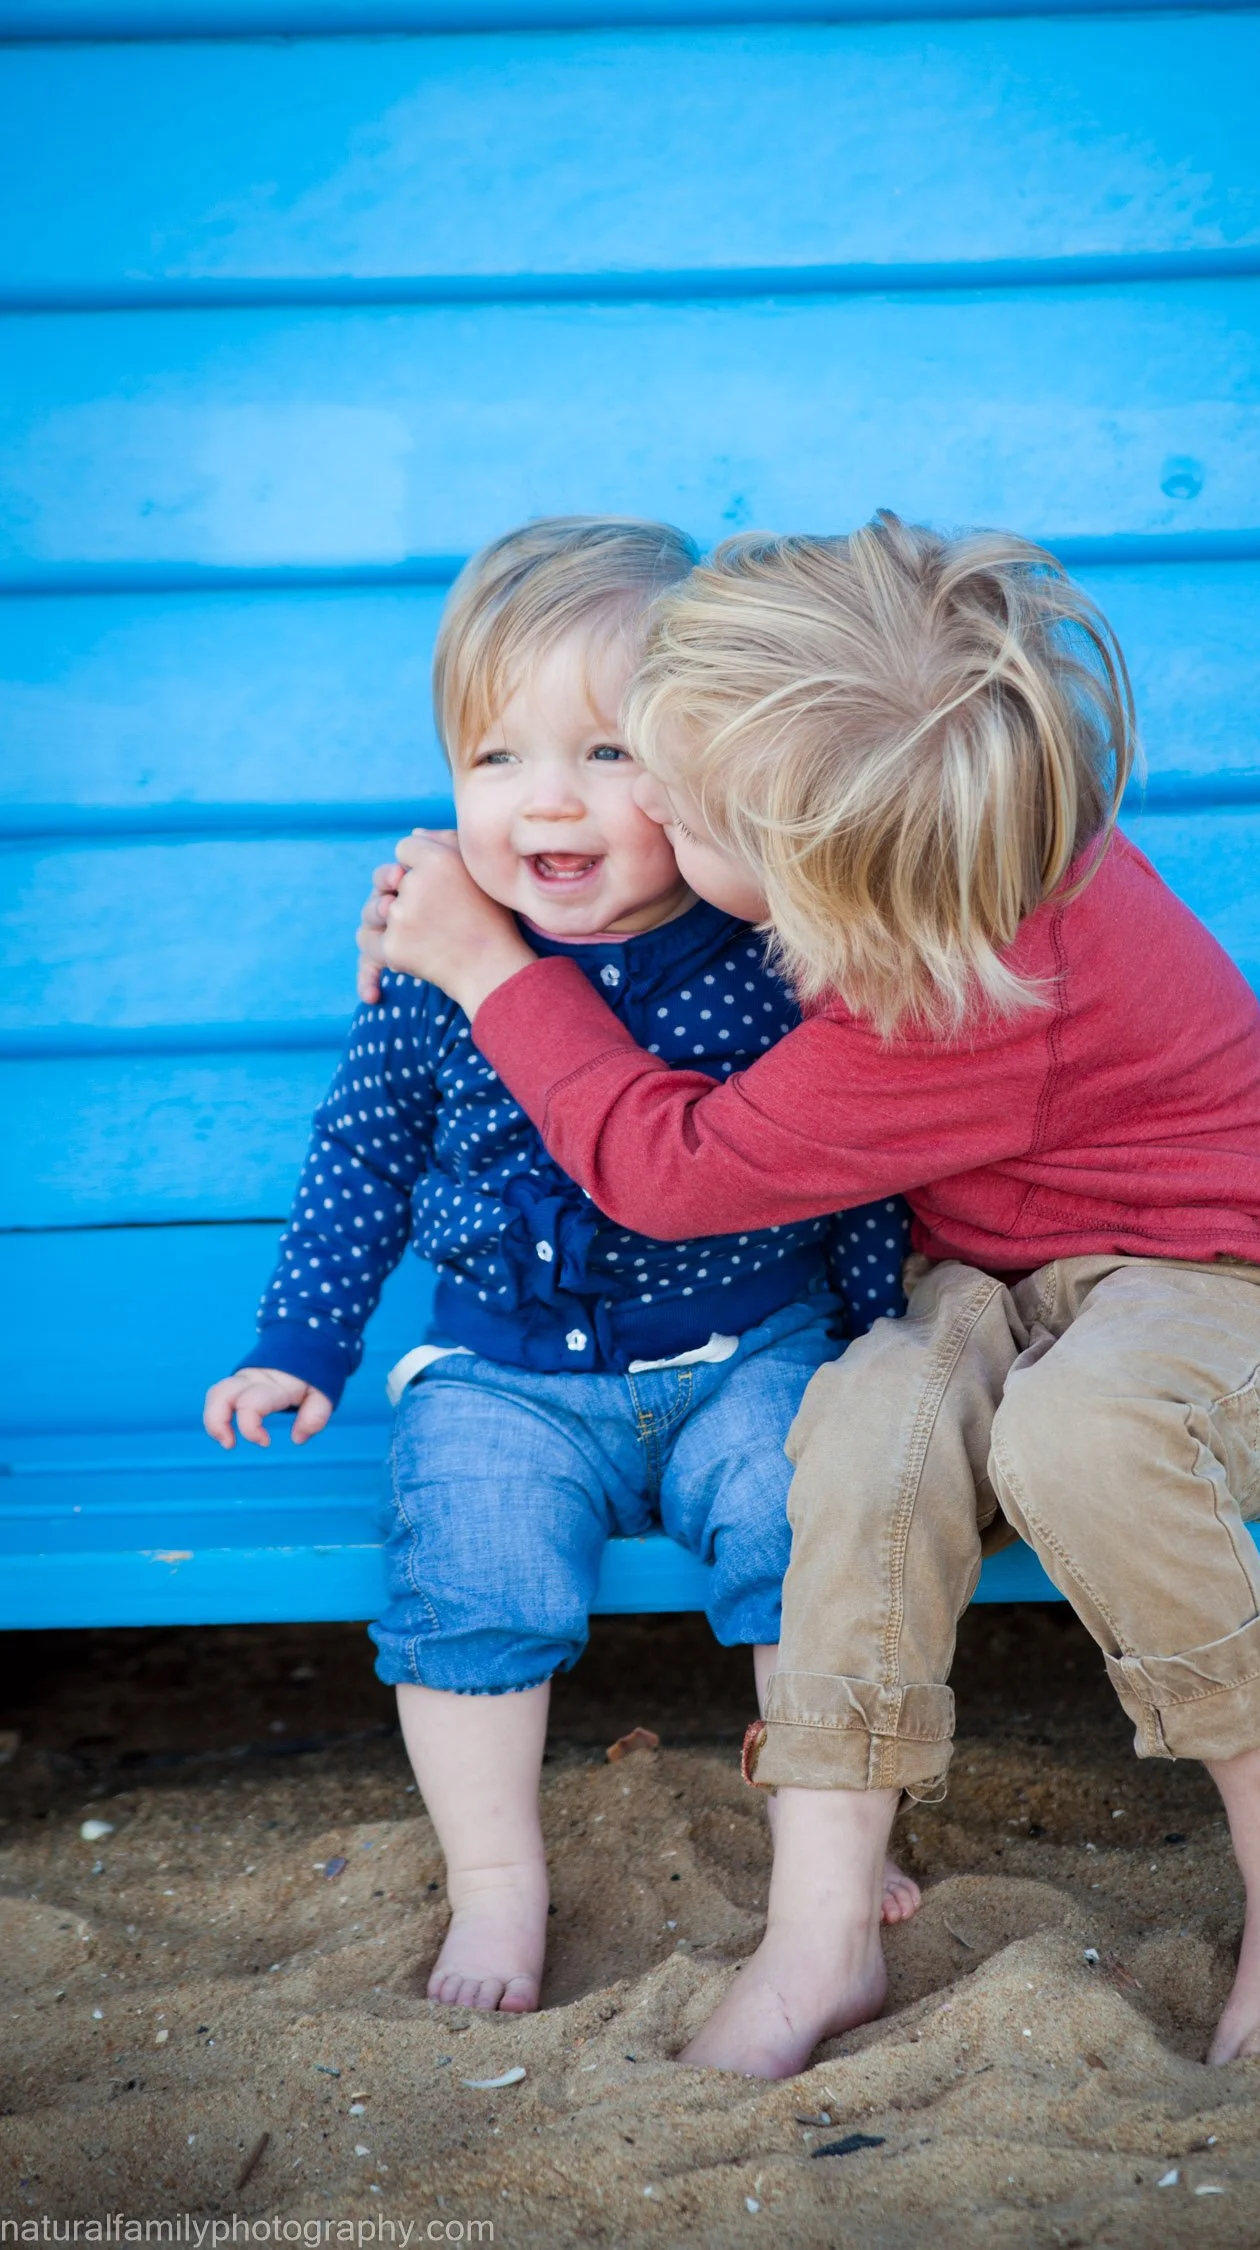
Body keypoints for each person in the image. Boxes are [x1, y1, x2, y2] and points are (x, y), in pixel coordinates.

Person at [358, 513, 1260, 2079]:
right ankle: (821, 1923)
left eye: (679, 804)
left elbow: (678, 1169)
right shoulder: (929, 828)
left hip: (1235, 1292)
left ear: (806, 871)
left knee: (1079, 1436)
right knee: (858, 1424)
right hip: (994, 1287)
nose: (663, 837)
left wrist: (496, 971)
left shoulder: (956, 982)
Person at [204, 516, 911, 2017]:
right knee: (468, 1562)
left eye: (606, 755)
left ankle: (833, 1847)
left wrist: (870, 1333)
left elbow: (848, 1159)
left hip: (748, 1347)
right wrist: (301, 1345)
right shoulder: (434, 958)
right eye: (497, 759)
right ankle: (497, 1884)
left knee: (813, 1531)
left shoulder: (768, 953)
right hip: (509, 1372)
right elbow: (362, 1155)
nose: (547, 803)